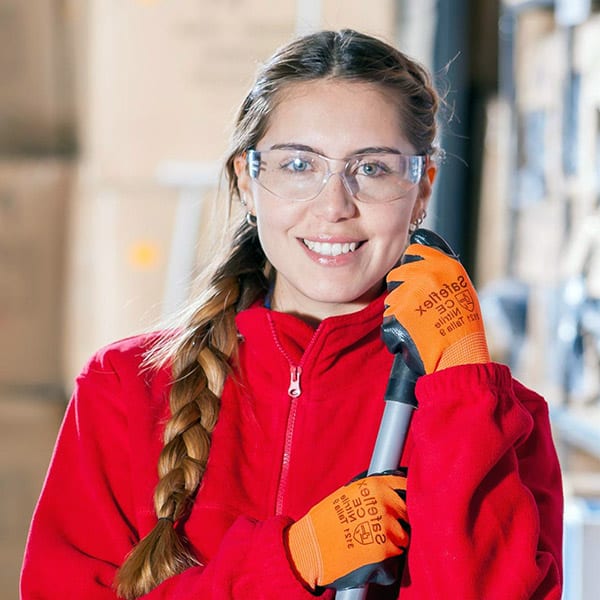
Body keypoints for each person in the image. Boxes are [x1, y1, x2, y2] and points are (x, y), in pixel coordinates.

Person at [21, 29, 563, 599]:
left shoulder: (497, 420)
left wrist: (460, 388)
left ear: (422, 188)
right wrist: (288, 566)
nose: (334, 207)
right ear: (247, 182)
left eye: (372, 168)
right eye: (299, 164)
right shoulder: (124, 388)